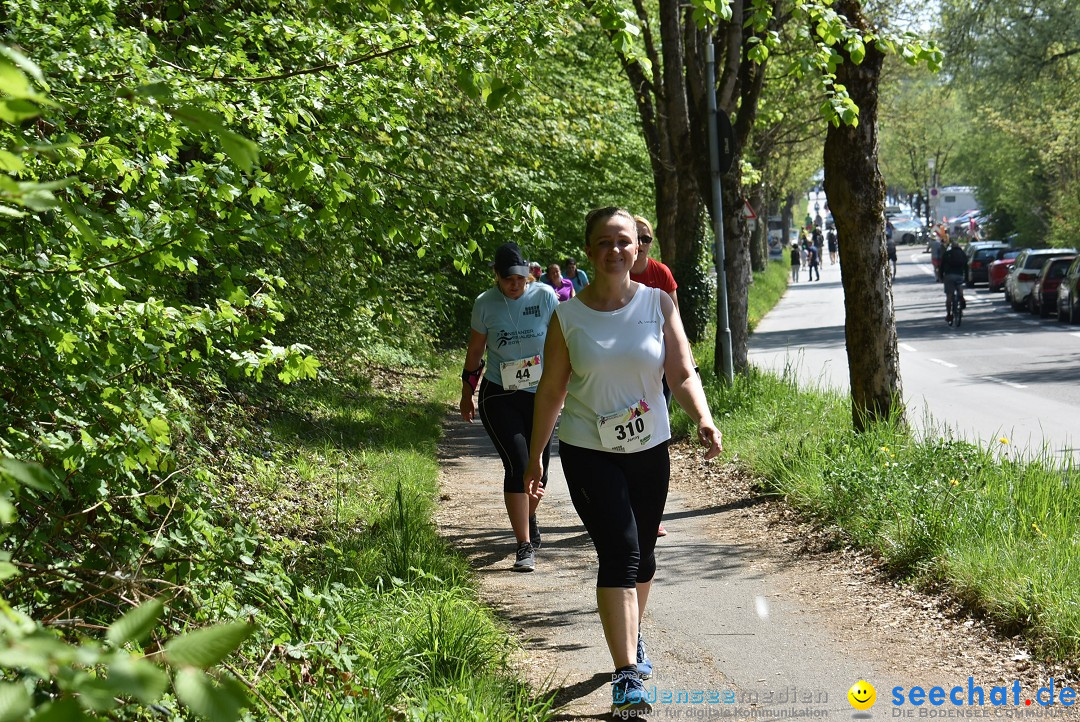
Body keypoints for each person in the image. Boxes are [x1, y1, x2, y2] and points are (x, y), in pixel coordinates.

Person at [523, 207, 722, 717]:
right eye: (605, 242)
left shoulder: (658, 303)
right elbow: (551, 391)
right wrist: (535, 460)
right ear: (590, 251)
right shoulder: (567, 316)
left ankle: (631, 640)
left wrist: (702, 417)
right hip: (589, 451)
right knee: (621, 549)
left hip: (649, 448)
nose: (616, 250)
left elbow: (681, 372)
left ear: (639, 248)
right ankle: (626, 674)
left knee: (644, 557)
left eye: (625, 241)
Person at [460, 242, 559, 572]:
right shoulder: (485, 304)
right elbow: (475, 352)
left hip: (540, 396)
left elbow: (565, 341)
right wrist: (466, 392)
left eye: (519, 278)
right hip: (499, 394)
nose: (514, 285)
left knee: (538, 469)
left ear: (528, 274)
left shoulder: (545, 297)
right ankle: (523, 545)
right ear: (496, 277)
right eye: (507, 280)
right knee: (518, 465)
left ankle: (528, 515)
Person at [629, 215, 678, 537]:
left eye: (647, 239)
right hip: (626, 369)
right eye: (639, 239)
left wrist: (680, 358)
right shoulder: (614, 273)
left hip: (658, 366)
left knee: (652, 436)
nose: (643, 245)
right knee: (631, 437)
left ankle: (650, 512)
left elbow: (675, 321)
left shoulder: (660, 273)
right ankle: (629, 509)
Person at [940, 236, 968, 325]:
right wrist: (966, 277)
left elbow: (941, 267)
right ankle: (961, 297)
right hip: (959, 275)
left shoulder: (947, 254)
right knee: (960, 289)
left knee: (949, 296)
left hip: (949, 276)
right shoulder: (962, 254)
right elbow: (966, 267)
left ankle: (949, 314)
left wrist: (941, 277)